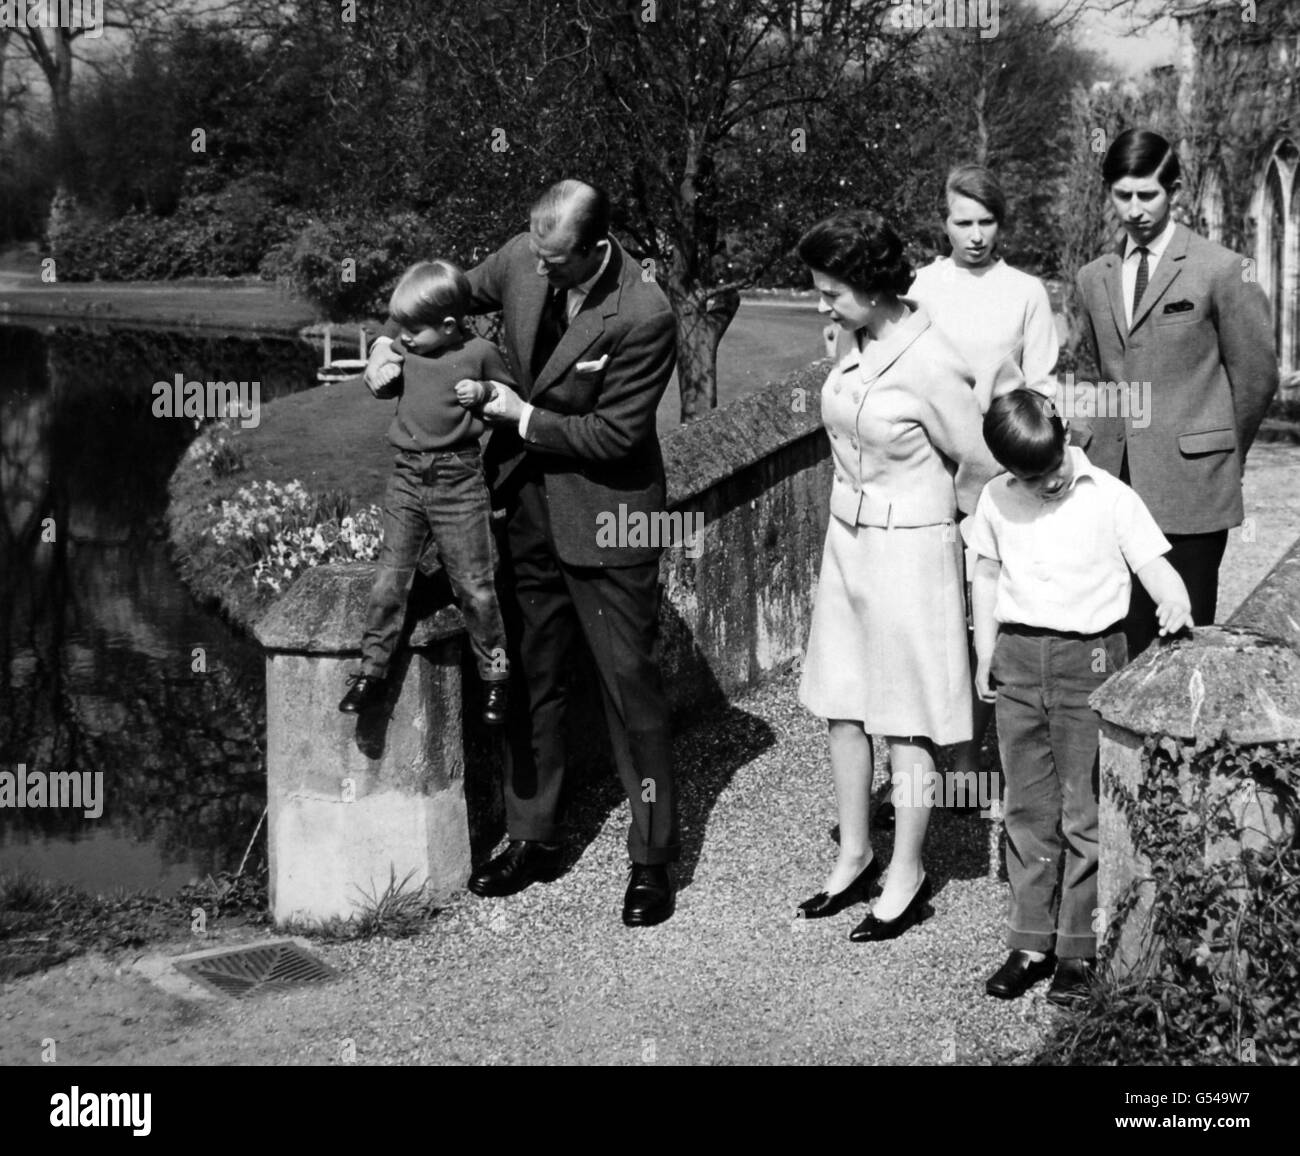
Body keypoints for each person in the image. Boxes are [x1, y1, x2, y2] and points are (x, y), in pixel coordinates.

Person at [364, 180, 680, 927]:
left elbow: (617, 438)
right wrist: (384, 341)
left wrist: (523, 415)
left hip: (609, 520)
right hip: (523, 509)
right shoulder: (523, 257)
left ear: (598, 248)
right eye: (536, 257)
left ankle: (653, 859)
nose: (543, 272)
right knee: (530, 676)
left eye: (559, 261)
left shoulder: (644, 314)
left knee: (628, 689)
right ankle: (531, 836)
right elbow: (437, 299)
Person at [795, 209, 1002, 941]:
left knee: (907, 718)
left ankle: (906, 872)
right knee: (842, 702)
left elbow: (980, 470)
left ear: (875, 287)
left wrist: (985, 571)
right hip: (847, 546)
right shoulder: (853, 337)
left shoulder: (934, 361)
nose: (822, 305)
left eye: (832, 292)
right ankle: (854, 853)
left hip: (912, 554)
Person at [969, 390, 1191, 1003]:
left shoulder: (1111, 497)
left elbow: (1152, 561)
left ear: (1067, 435)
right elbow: (986, 572)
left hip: (1090, 661)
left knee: (1085, 809)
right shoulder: (994, 499)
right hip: (1017, 656)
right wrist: (986, 650)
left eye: (1051, 469)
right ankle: (1030, 939)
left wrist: (1173, 597)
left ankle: (1079, 945)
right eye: (1028, 477)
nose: (1046, 484)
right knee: (1026, 805)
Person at [1074, 128, 1278, 655]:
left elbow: (1256, 378)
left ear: (1177, 190)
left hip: (1192, 490)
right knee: (1114, 632)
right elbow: (1096, 377)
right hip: (1113, 484)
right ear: (1109, 193)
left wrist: (1218, 452)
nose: (1136, 209)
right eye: (1123, 195)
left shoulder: (1225, 269)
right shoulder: (1093, 278)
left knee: (1179, 641)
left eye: (1149, 194)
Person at [911, 163, 1060, 801]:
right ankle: (944, 770)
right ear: (943, 221)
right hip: (930, 480)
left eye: (986, 222)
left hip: (1001, 482)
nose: (975, 235)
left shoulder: (1025, 291)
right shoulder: (920, 286)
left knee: (998, 623)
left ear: (1002, 223)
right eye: (962, 222)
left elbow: (1045, 386)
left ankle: (1000, 770)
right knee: (938, 623)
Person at [339, 260, 512, 725]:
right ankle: (372, 671)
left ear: (449, 325)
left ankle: (496, 677)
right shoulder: (404, 347)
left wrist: (483, 390)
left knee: (475, 587)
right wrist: (380, 365)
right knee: (390, 580)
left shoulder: (480, 352)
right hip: (407, 477)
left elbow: (508, 394)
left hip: (459, 477)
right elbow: (380, 380)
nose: (404, 336)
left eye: (413, 328)